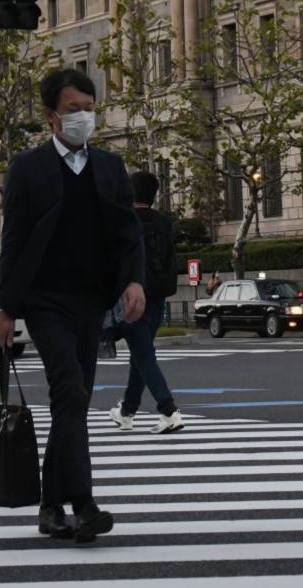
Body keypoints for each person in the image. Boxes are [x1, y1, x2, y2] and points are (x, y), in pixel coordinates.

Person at [0, 68, 147, 545]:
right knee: (71, 394)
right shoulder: (28, 168)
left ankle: (49, 507)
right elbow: (14, 240)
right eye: (73, 109)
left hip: (90, 301)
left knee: (71, 404)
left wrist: (135, 281)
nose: (83, 117)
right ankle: (84, 505)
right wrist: (6, 309)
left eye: (88, 108)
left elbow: (127, 233)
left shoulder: (108, 166)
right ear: (51, 116)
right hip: (44, 302)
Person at [108, 170, 185, 434]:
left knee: (143, 355)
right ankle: (127, 411)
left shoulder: (124, 221)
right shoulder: (164, 222)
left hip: (131, 297)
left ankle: (169, 410)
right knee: (141, 355)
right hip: (158, 296)